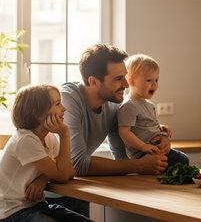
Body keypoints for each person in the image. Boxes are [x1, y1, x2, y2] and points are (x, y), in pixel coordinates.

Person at [49, 44, 168, 216]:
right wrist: (138, 165)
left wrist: (161, 136)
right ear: (94, 81)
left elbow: (120, 154)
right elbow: (77, 163)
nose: (127, 84)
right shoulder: (66, 100)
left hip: (77, 188)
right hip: (47, 194)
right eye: (118, 78)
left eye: (125, 76)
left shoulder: (113, 104)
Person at [0, 84, 91, 221]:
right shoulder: (25, 140)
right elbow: (62, 175)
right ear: (37, 113)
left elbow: (69, 171)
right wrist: (65, 134)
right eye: (58, 104)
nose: (64, 108)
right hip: (14, 213)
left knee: (81, 209)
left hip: (39, 205)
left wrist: (43, 178)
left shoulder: (49, 137)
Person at [118, 54, 189, 166]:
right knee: (182, 161)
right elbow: (124, 132)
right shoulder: (129, 105)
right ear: (131, 82)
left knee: (183, 159)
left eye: (156, 79)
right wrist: (144, 147)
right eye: (149, 80)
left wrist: (159, 127)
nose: (154, 84)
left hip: (155, 148)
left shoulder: (148, 105)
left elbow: (143, 125)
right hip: (142, 153)